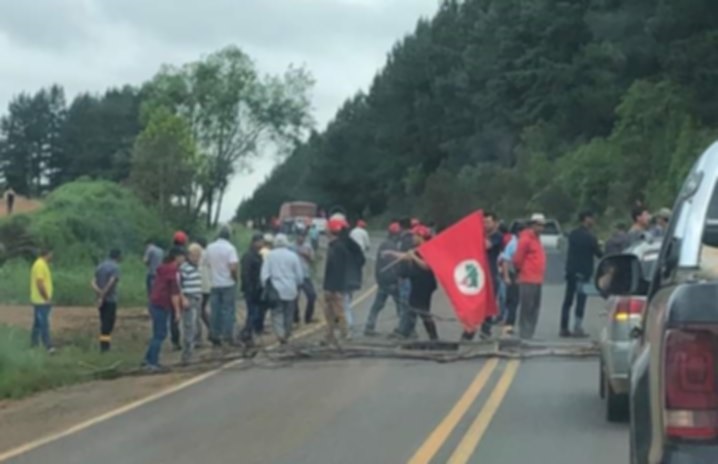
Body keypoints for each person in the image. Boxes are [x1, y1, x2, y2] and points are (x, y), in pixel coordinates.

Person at [391, 225, 439, 340]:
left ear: (420, 236)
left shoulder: (428, 248)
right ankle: (405, 333)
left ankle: (433, 336)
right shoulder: (417, 249)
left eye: (414, 235)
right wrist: (391, 254)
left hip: (425, 284)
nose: (412, 238)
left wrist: (413, 256)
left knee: (423, 310)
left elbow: (426, 266)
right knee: (412, 308)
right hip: (417, 282)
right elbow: (408, 257)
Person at [561, 211, 602, 338]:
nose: (593, 221)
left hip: (571, 271)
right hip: (584, 273)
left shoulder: (573, 234)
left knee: (568, 301)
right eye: (592, 218)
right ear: (586, 219)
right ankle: (577, 327)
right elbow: (599, 254)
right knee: (580, 300)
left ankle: (563, 327)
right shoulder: (590, 237)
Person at [462, 212, 503, 340]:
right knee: (474, 304)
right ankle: (470, 331)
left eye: (488, 222)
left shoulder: (497, 236)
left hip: (491, 274)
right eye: (483, 222)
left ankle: (485, 331)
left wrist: (479, 233)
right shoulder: (479, 235)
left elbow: (487, 245)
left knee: (488, 305)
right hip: (477, 274)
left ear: (495, 223)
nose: (485, 225)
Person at [144, 247, 184, 371]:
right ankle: (152, 363)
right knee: (160, 334)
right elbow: (174, 293)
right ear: (177, 257)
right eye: (183, 256)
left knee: (157, 332)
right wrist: (177, 311)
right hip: (162, 304)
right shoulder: (173, 271)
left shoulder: (163, 268)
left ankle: (148, 359)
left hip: (155, 302)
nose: (184, 259)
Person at [261, 234, 304, 344]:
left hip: (276, 289)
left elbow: (264, 274)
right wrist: (299, 284)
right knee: (289, 313)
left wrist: (265, 287)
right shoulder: (293, 256)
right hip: (291, 289)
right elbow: (299, 275)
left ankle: (280, 334)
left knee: (276, 313)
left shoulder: (270, 256)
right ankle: (287, 333)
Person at [364, 222, 402, 336]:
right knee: (401, 305)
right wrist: (396, 279)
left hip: (382, 280)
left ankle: (369, 326)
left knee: (378, 305)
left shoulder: (383, 244)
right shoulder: (392, 247)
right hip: (390, 281)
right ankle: (403, 328)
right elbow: (393, 266)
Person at [513, 213, 547, 340]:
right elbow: (518, 258)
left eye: (543, 226)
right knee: (527, 307)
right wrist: (519, 271)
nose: (542, 228)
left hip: (538, 278)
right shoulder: (526, 238)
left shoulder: (537, 239)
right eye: (539, 225)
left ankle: (530, 332)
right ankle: (524, 333)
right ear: (533, 225)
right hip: (527, 278)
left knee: (535, 307)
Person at [205, 226, 239, 347]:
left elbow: (207, 263)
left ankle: (215, 335)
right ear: (229, 236)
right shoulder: (230, 249)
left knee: (215, 310)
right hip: (228, 283)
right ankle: (228, 335)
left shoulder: (210, 247)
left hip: (214, 283)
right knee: (228, 310)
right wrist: (235, 279)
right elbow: (233, 267)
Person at [322, 218, 350, 345]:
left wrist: (331, 288)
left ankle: (344, 334)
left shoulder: (337, 248)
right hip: (334, 285)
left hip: (334, 287)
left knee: (338, 311)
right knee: (330, 313)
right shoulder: (336, 246)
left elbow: (336, 270)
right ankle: (329, 335)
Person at [91, 249, 122, 352]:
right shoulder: (115, 267)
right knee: (108, 324)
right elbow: (112, 282)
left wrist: (99, 292)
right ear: (118, 257)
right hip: (110, 299)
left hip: (100, 300)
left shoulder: (100, 266)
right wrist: (104, 293)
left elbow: (93, 282)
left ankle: (104, 345)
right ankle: (104, 347)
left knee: (103, 321)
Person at [499, 221, 524, 336]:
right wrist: (507, 276)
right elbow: (505, 261)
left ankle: (511, 323)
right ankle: (509, 324)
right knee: (512, 301)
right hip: (513, 274)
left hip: (522, 276)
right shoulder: (513, 244)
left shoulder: (523, 243)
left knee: (517, 301)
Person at [179, 244, 203, 364]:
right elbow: (178, 285)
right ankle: (186, 355)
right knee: (189, 327)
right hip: (189, 298)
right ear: (189, 255)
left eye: (198, 256)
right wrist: (183, 298)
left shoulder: (197, 267)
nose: (197, 258)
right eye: (194, 255)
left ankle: (191, 352)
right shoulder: (184, 268)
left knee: (194, 326)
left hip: (197, 298)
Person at [341, 224, 366, 333]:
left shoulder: (340, 245)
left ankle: (348, 324)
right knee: (348, 301)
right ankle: (348, 322)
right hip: (354, 278)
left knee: (344, 303)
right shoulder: (354, 245)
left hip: (342, 278)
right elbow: (362, 260)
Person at [30, 248, 54, 352]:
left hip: (39, 300)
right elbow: (39, 283)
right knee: (44, 323)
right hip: (41, 300)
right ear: (47, 254)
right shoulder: (40, 265)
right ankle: (48, 346)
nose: (52, 257)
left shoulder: (41, 264)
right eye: (51, 254)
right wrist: (46, 298)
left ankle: (33, 345)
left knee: (37, 324)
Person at [240, 233, 264, 339]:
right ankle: (247, 332)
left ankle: (249, 332)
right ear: (254, 242)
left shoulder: (257, 255)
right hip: (252, 289)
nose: (262, 243)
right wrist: (248, 288)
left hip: (257, 289)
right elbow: (245, 273)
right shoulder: (249, 256)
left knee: (255, 312)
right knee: (253, 312)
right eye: (260, 241)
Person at [293, 232, 318, 324]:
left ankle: (308, 317)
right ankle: (295, 318)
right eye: (299, 236)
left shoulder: (308, 246)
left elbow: (312, 260)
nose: (301, 238)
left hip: (305, 275)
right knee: (294, 298)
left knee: (312, 296)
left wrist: (306, 255)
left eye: (303, 236)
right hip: (294, 276)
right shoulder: (291, 247)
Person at [196, 238, 212, 346]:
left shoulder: (196, 255)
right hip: (208, 285)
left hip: (198, 286)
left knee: (198, 311)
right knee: (202, 310)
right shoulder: (209, 254)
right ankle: (212, 329)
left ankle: (198, 337)